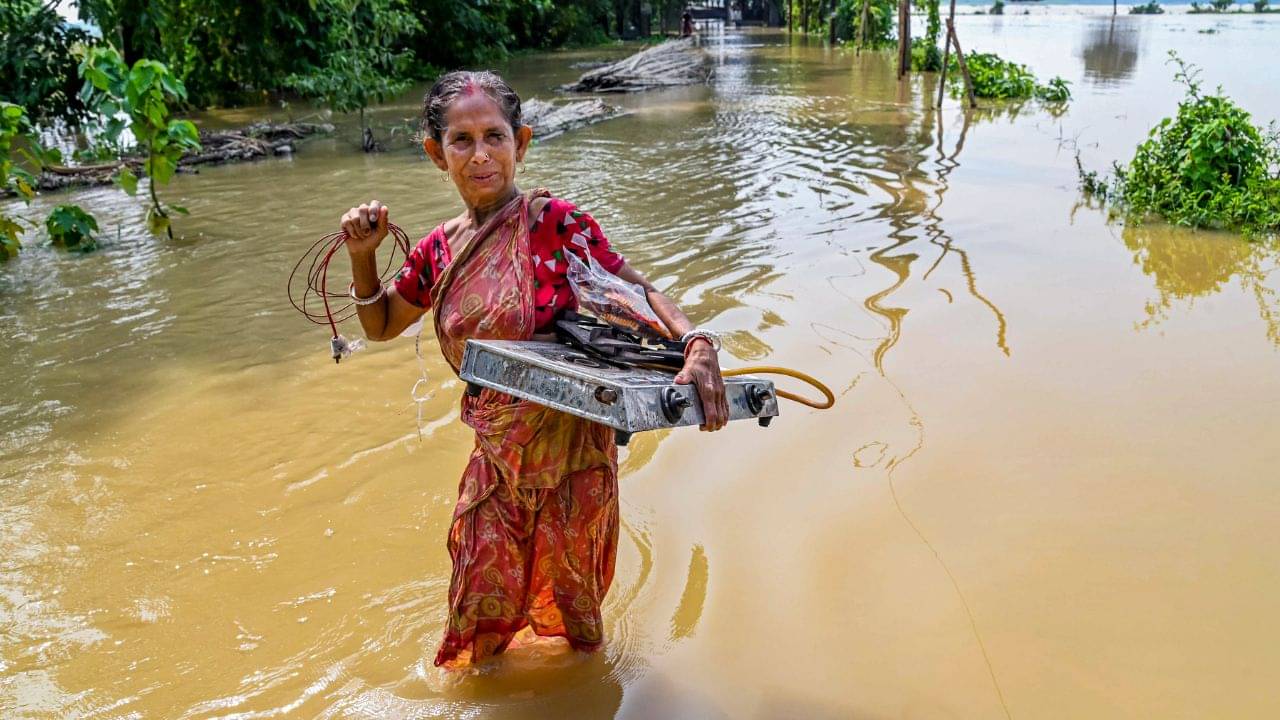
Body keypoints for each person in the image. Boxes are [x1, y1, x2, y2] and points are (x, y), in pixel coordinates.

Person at [338, 70, 727, 668]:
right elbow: (383, 324)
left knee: (573, 632)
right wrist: (362, 258)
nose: (480, 155)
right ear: (435, 154)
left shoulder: (555, 224)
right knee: (475, 619)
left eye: (494, 136)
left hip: (575, 460)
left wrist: (697, 342)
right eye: (461, 140)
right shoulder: (439, 250)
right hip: (494, 460)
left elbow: (638, 292)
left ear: (521, 143)